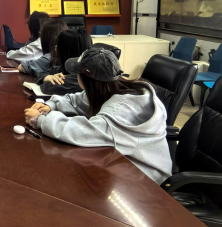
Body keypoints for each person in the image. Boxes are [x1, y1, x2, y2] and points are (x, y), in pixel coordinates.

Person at [24, 47, 172, 184]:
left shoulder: (123, 109)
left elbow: (85, 132)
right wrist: (51, 105)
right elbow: (76, 99)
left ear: (86, 80)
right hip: (123, 162)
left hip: (145, 178)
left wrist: (41, 119)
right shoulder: (112, 89)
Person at [36, 27, 93, 96]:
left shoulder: (82, 76)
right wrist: (47, 77)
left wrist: (48, 80)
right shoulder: (65, 67)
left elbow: (47, 87)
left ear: (66, 52)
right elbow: (41, 74)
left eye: (57, 48)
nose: (56, 52)